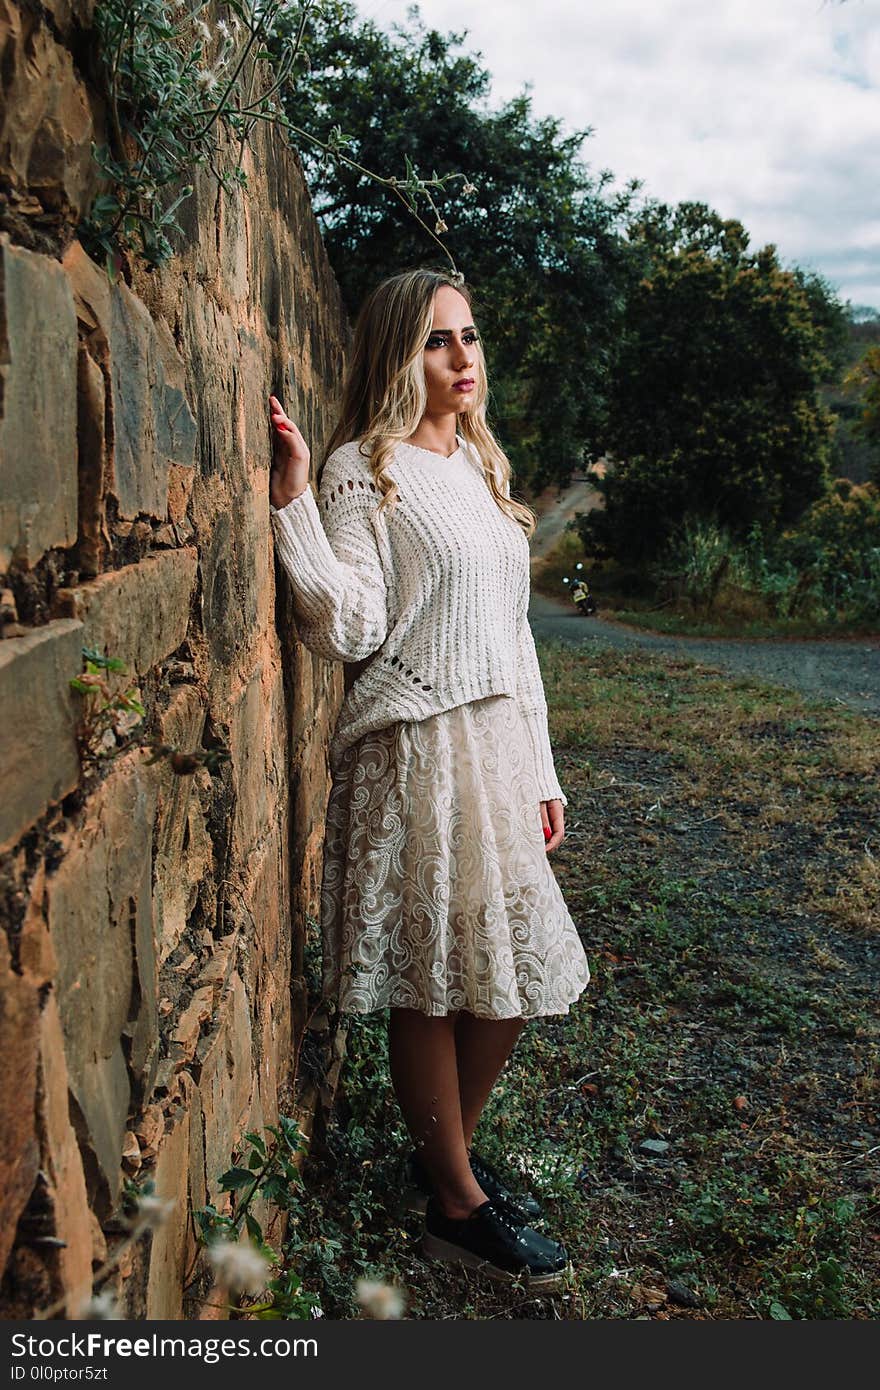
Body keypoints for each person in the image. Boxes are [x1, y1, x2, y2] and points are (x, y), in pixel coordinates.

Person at [267, 268, 590, 1290]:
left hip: (495, 745)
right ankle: (455, 1198)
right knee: (434, 977)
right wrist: (291, 505)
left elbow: (516, 641)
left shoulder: (484, 470)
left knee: (506, 978)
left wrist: (543, 772)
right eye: (435, 342)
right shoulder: (364, 470)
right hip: (411, 744)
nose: (462, 359)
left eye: (469, 337)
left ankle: (442, 1159)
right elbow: (351, 624)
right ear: (396, 355)